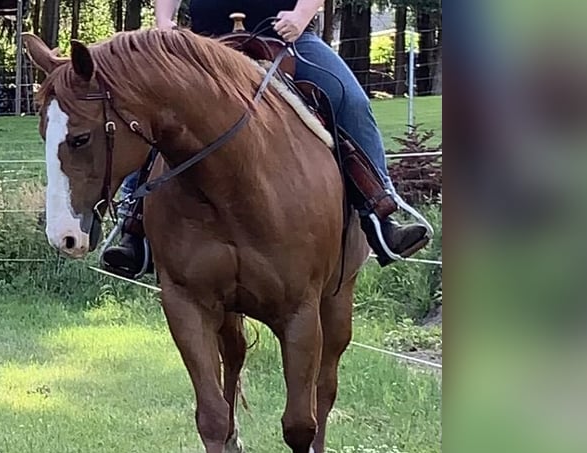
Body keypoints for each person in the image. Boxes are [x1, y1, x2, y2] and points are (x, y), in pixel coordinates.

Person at [102, 0, 429, 275]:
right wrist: (163, 21)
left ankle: (380, 212)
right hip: (201, 47)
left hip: (285, 41)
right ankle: (134, 227)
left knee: (350, 100)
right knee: (149, 109)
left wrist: (301, 16)